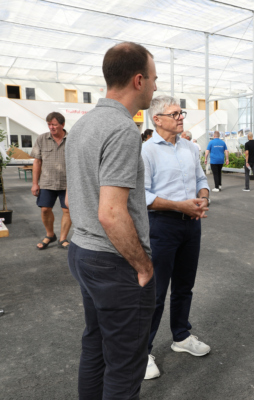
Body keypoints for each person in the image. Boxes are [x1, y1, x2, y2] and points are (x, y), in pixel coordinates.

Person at [65, 42, 157, 400]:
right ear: (138, 80)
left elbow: (73, 200)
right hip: (112, 261)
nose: (154, 86)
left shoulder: (84, 125)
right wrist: (143, 265)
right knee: (125, 362)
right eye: (153, 79)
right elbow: (112, 212)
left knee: (96, 345)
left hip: (83, 251)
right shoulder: (121, 130)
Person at [142, 95, 211, 380]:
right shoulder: (146, 151)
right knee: (155, 292)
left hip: (190, 225)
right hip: (161, 225)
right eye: (175, 113)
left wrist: (203, 198)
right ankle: (142, 352)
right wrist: (178, 206)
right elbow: (142, 196)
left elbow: (201, 180)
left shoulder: (189, 147)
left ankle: (181, 336)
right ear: (157, 119)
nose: (181, 117)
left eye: (181, 112)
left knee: (185, 285)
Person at [30, 112, 72, 250]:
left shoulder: (72, 139)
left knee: (67, 211)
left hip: (68, 183)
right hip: (47, 182)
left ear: (62, 124)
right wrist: (35, 183)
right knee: (45, 210)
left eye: (54, 124)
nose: (51, 127)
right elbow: (37, 162)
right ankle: (50, 235)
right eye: (49, 124)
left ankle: (62, 238)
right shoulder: (42, 139)